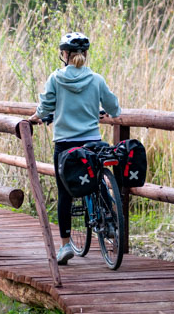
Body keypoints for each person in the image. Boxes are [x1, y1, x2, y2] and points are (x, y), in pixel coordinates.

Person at [29, 32, 121, 265]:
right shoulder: (97, 79)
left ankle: (65, 245)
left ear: (65, 55)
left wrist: (36, 117)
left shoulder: (56, 79)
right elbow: (113, 107)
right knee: (98, 179)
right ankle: (109, 221)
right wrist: (108, 112)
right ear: (85, 55)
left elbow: (45, 106)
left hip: (66, 146)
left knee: (65, 194)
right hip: (92, 143)